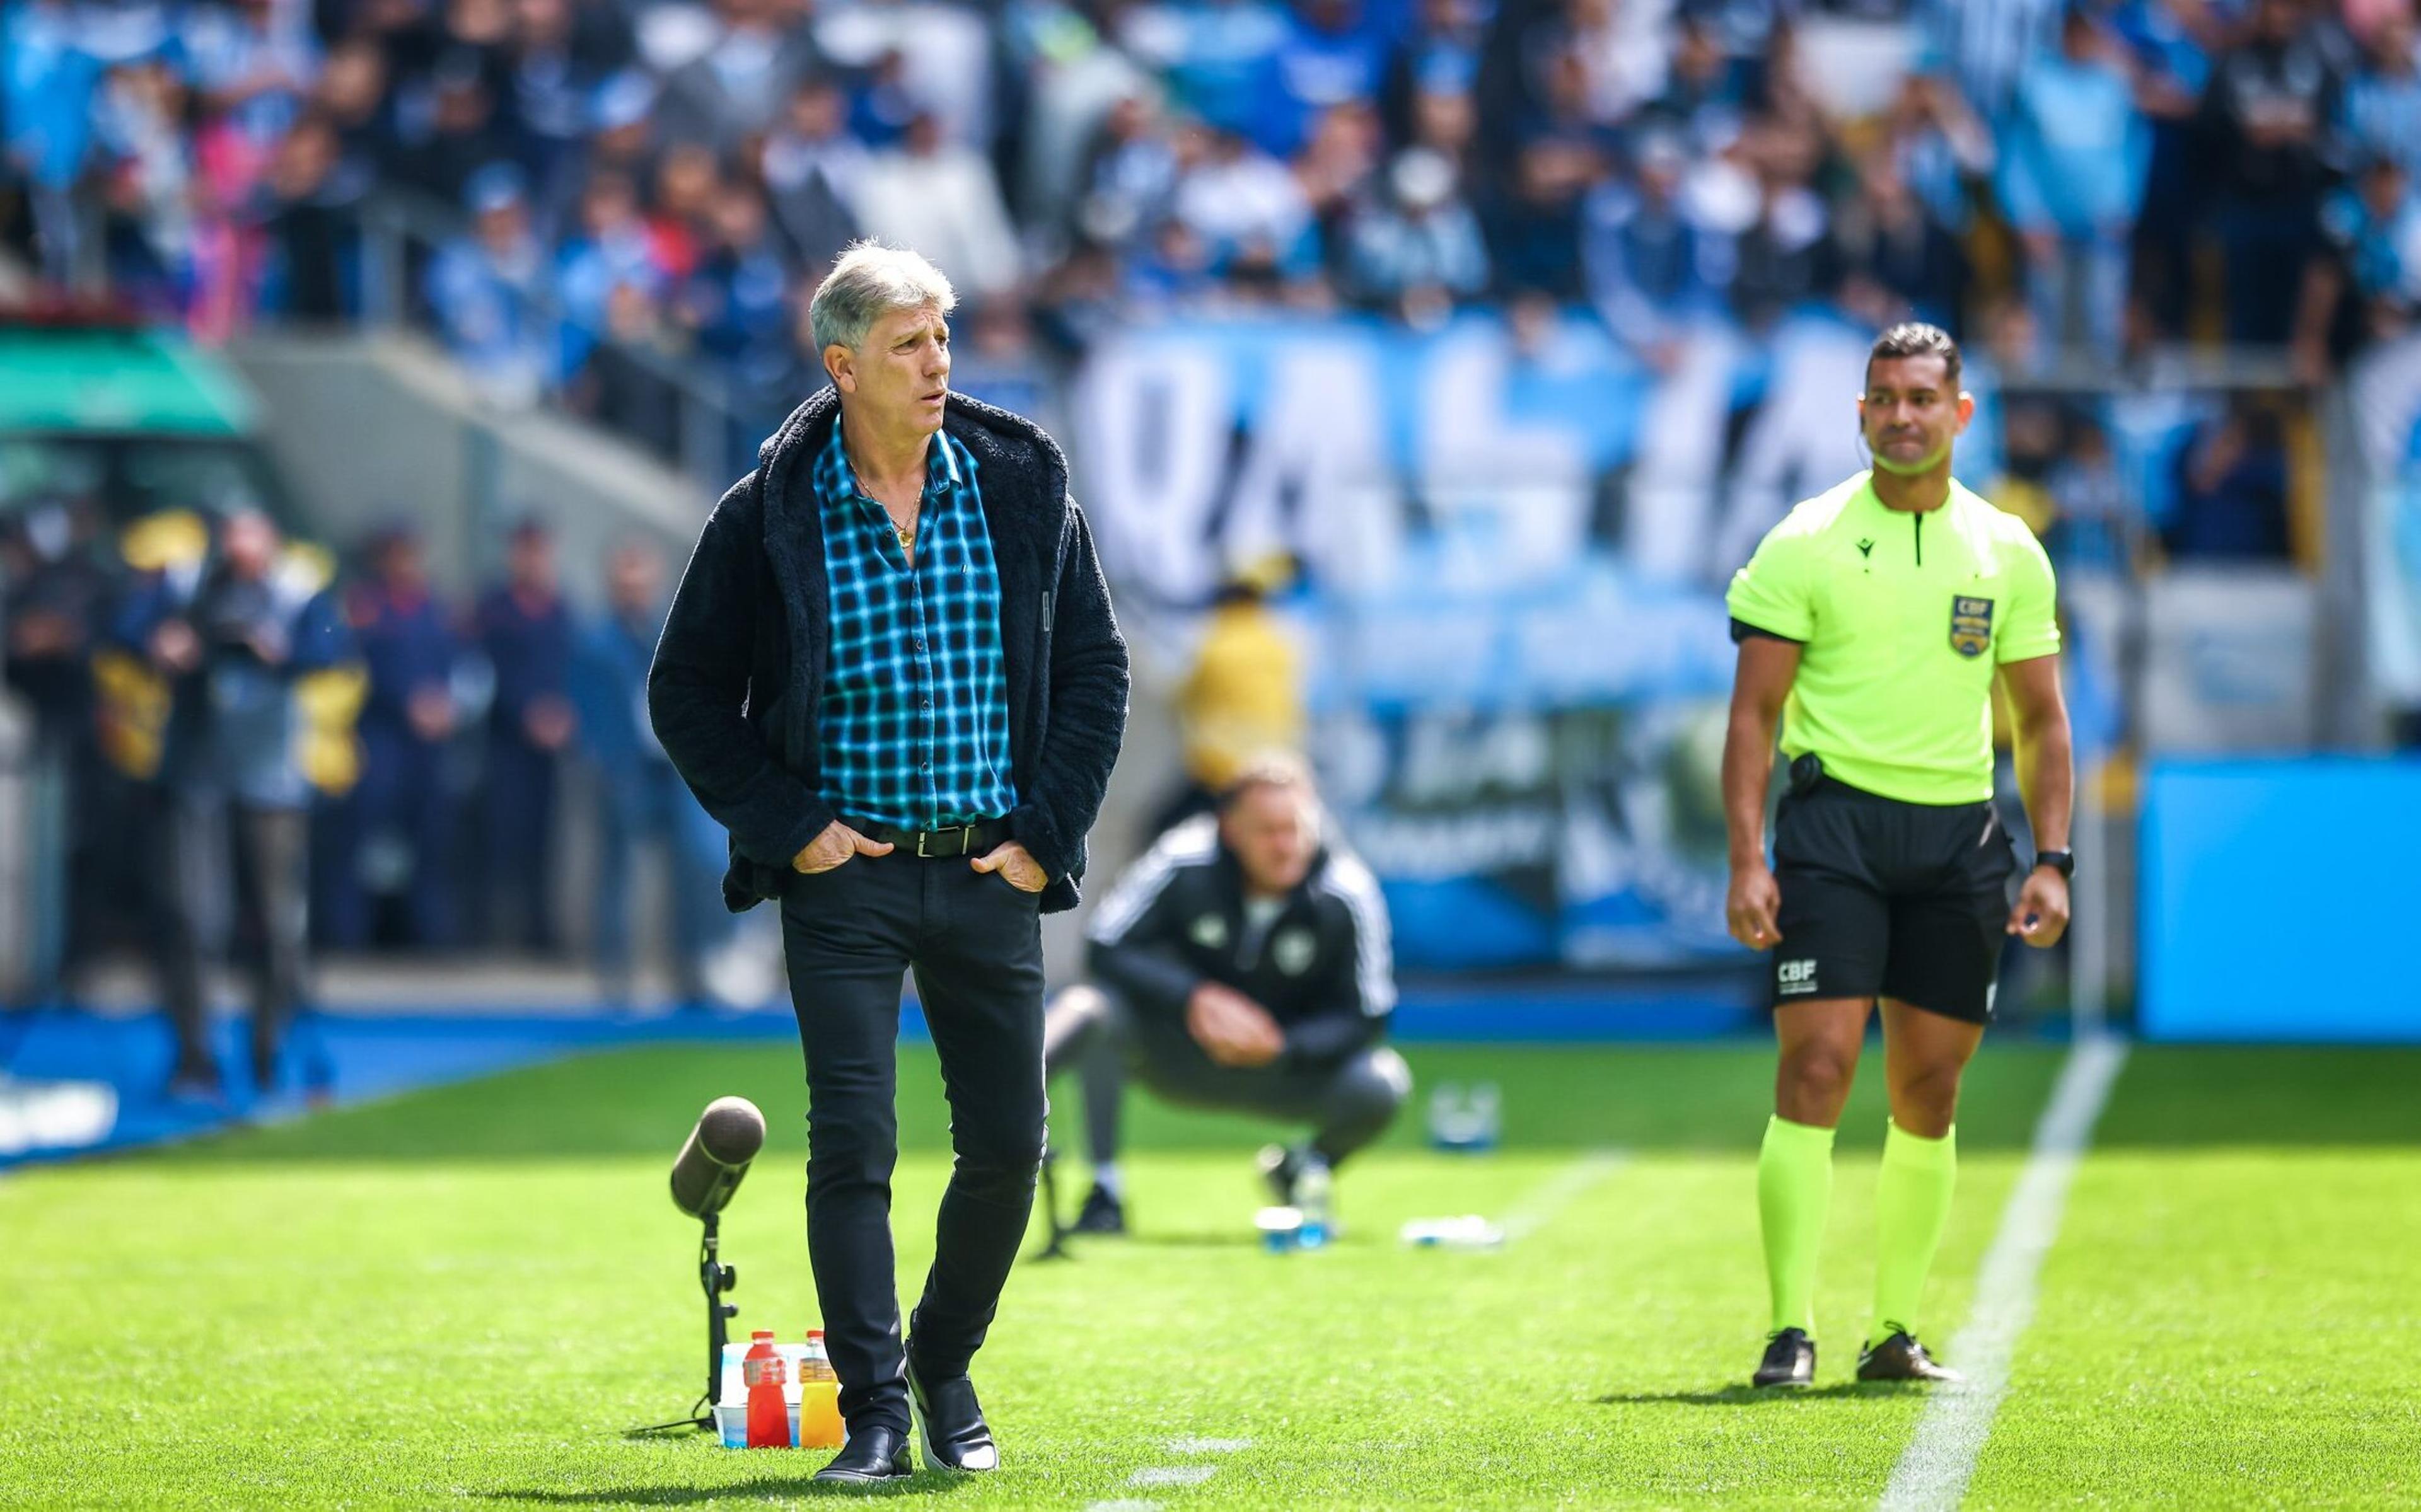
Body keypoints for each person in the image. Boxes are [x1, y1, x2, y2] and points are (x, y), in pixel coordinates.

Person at [647, 243, 1127, 1482]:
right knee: (853, 1142)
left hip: (990, 871)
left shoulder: (1018, 485)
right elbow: (686, 689)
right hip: (844, 878)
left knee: (1012, 1143)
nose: (938, 365)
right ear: (843, 363)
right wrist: (784, 821)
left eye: (945, 338)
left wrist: (1045, 836)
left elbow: (1094, 670)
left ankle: (943, 1359)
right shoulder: (767, 510)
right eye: (910, 344)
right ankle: (873, 1412)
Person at [1721, 322, 2074, 1390]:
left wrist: (2051, 857)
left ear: (1961, 413)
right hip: (1834, 834)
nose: (1903, 414)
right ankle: (1790, 1326)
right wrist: (1748, 856)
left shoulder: (2009, 548)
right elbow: (1753, 717)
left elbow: (2044, 724)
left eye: (1924, 396)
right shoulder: (1805, 539)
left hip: (1959, 837)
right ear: (1862, 412)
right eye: (1884, 397)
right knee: (1816, 1067)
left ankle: (1894, 1330)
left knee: (1929, 1087)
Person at [1042, 758, 1407, 1237]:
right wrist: (1194, 997)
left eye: (1295, 828)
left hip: (1282, 1069)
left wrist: (1284, 1045)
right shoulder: (1183, 857)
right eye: (1267, 831)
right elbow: (1105, 944)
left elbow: (1368, 1015)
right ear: (1230, 830)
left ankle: (1301, 1169)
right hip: (1175, 1052)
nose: (1286, 845)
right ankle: (1092, 1180)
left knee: (1382, 1083)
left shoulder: (1347, 889)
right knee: (1091, 1007)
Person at [115, 510, 353, 1097]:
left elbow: (333, 648)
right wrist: (161, 642)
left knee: (277, 921)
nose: (242, 553)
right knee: (191, 915)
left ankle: (267, 1048)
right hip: (196, 766)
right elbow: (123, 630)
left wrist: (283, 651)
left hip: (270, 774)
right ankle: (195, 1054)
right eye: (233, 541)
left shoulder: (298, 588)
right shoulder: (185, 585)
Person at [569, 541, 726, 1009]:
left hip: (675, 769)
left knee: (695, 866)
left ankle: (691, 969)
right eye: (626, 583)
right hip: (627, 770)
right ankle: (615, 977)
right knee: (617, 874)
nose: (634, 592)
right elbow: (588, 712)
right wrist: (606, 764)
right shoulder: (596, 642)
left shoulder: (674, 632)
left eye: (642, 583)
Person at [325, 524, 460, 950]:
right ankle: (348, 935)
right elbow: (352, 668)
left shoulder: (434, 607)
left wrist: (446, 705)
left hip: (428, 743)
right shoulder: (364, 607)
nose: (405, 563)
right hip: (379, 736)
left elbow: (458, 665)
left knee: (431, 841)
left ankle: (427, 936)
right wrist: (406, 701)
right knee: (358, 839)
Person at [475, 518, 576, 953]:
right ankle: (491, 930)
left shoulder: (561, 610)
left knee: (544, 838)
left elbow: (573, 672)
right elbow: (484, 673)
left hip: (551, 747)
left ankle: (541, 929)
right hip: (506, 742)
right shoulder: (495, 609)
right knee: (501, 835)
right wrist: (526, 714)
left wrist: (563, 716)